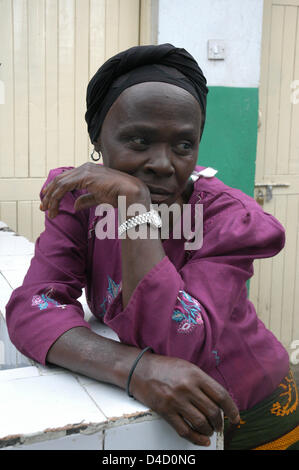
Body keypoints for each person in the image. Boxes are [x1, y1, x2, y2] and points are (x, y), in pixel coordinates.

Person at [5, 44, 298, 450]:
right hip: (167, 415)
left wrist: (133, 208)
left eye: (183, 145)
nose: (163, 164)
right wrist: (134, 369)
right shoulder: (79, 199)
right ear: (98, 141)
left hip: (254, 407)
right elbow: (33, 307)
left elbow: (181, 342)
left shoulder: (225, 219)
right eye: (138, 141)